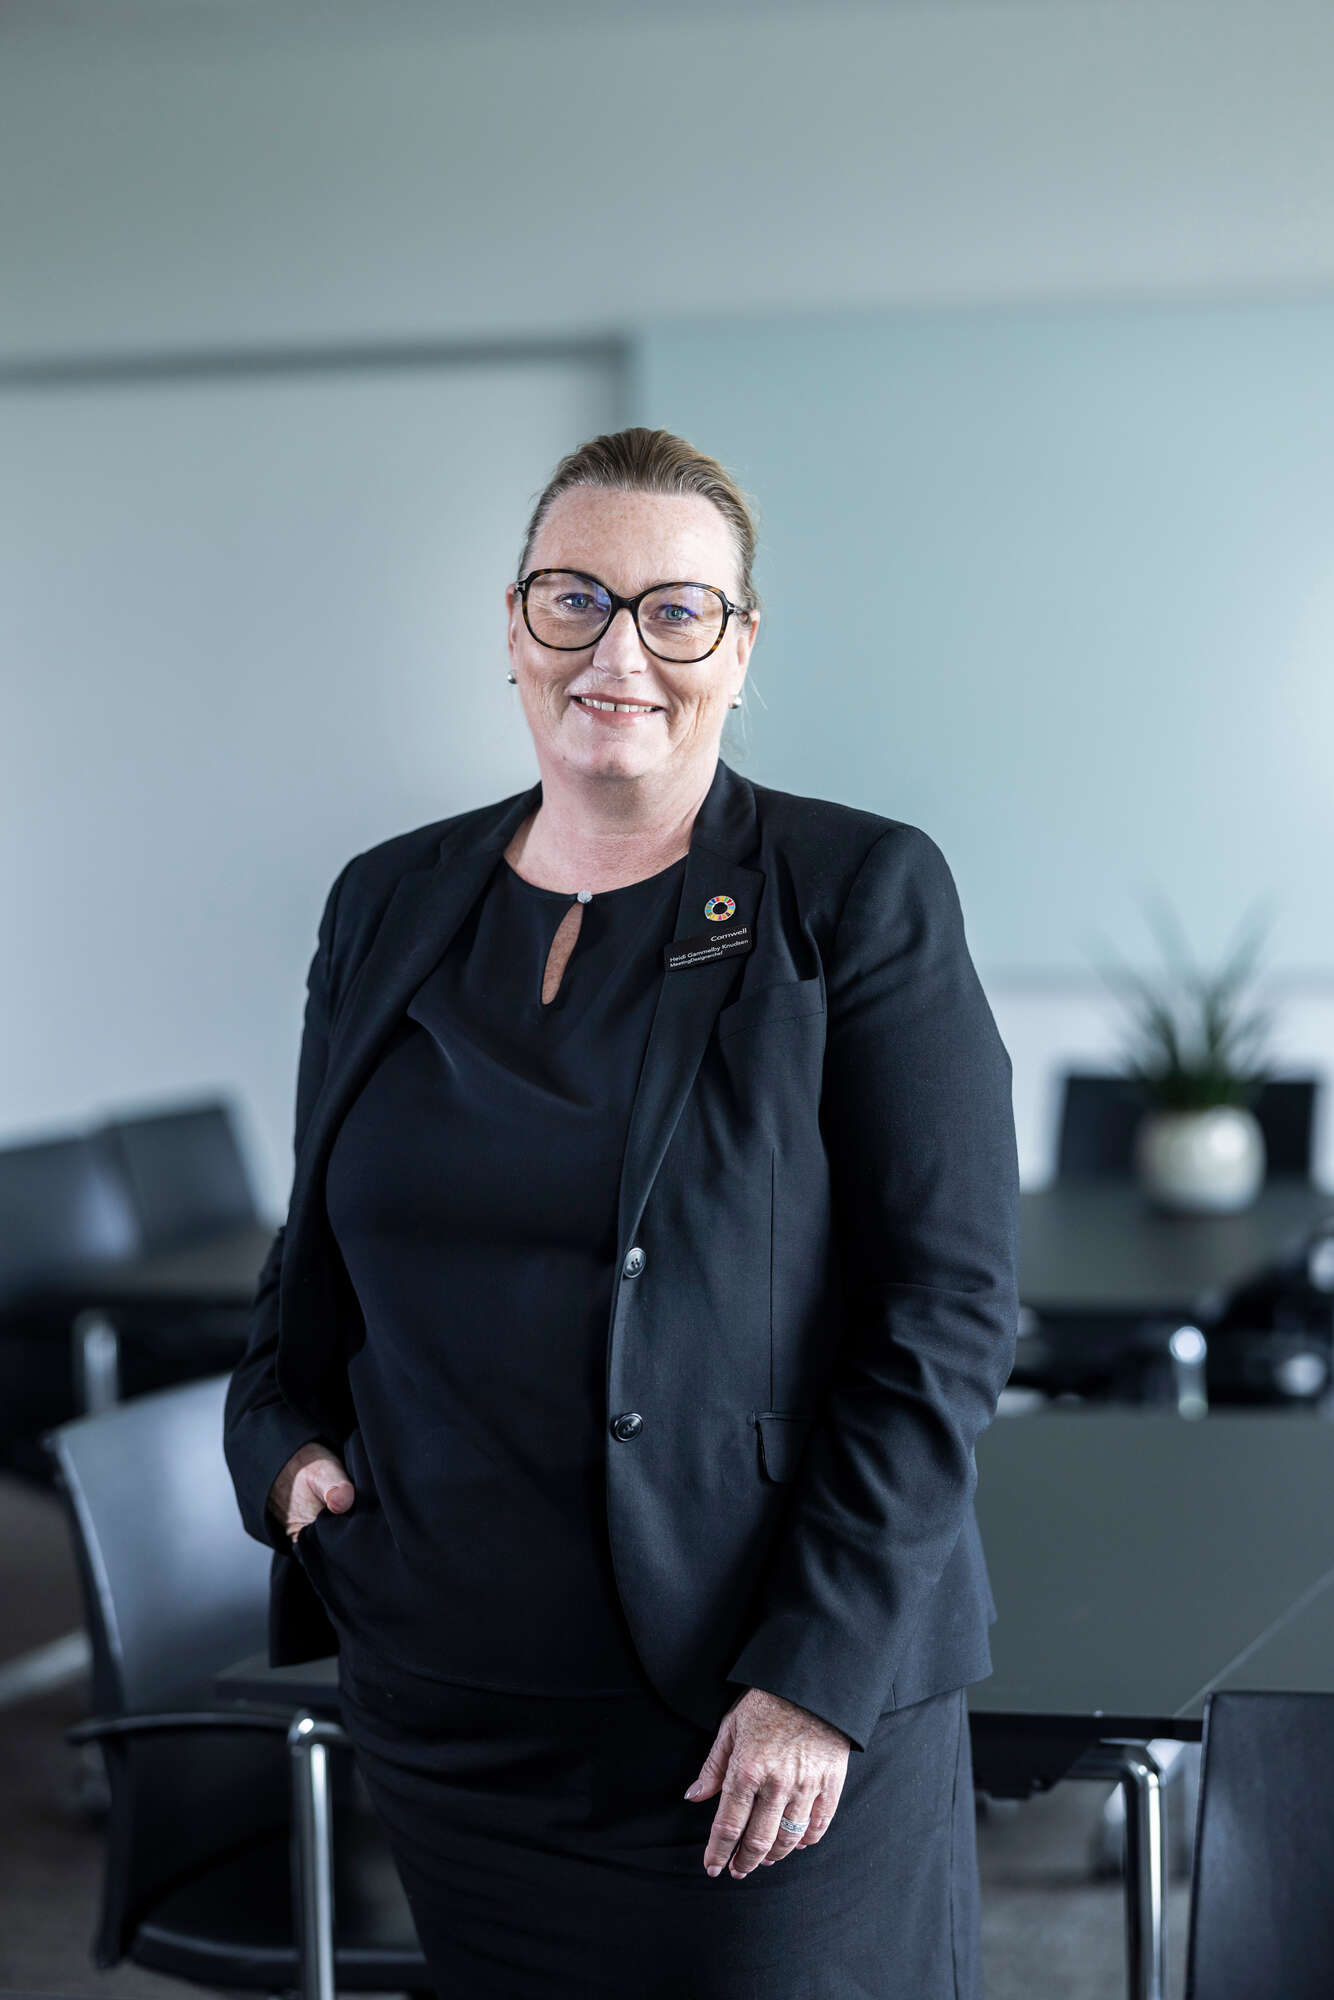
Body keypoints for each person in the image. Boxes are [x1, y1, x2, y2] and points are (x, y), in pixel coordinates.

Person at [223, 425, 1020, 1999]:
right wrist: (280, 1448)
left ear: (739, 647)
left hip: (750, 1726)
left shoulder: (849, 892)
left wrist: (815, 1678)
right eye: (575, 598)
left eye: (675, 609)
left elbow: (944, 1315)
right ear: (514, 624)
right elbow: (314, 1241)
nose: (618, 652)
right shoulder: (386, 900)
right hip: (452, 1705)